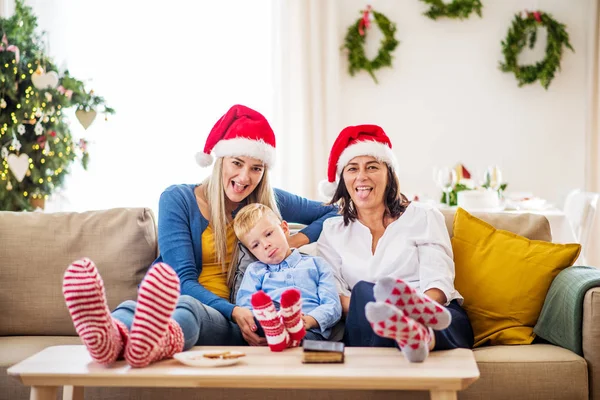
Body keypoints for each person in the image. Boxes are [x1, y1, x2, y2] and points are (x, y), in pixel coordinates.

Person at [62, 104, 339, 368]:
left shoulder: (266, 202)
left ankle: (152, 344)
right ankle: (111, 336)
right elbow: (182, 280)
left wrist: (292, 242)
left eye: (256, 168)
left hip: (228, 319)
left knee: (188, 310)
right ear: (219, 160)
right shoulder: (178, 199)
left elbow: (333, 212)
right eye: (237, 163)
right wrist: (234, 311)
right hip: (197, 305)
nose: (245, 177)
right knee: (135, 307)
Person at [316, 124, 473, 363]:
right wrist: (381, 310)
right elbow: (333, 294)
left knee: (447, 321)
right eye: (352, 168)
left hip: (433, 312)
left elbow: (438, 282)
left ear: (389, 174)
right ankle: (408, 333)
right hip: (366, 319)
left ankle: (418, 332)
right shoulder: (332, 231)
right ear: (342, 179)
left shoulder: (423, 217)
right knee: (364, 291)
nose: (362, 176)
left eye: (372, 167)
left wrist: (411, 312)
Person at [233, 203, 342, 351]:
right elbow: (245, 305)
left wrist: (308, 321)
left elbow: (332, 305)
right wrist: (269, 317)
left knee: (305, 337)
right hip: (269, 324)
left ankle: (290, 330)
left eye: (268, 234)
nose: (265, 245)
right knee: (261, 310)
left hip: (308, 329)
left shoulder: (316, 264)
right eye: (256, 245)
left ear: (284, 229)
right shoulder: (255, 271)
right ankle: (278, 327)